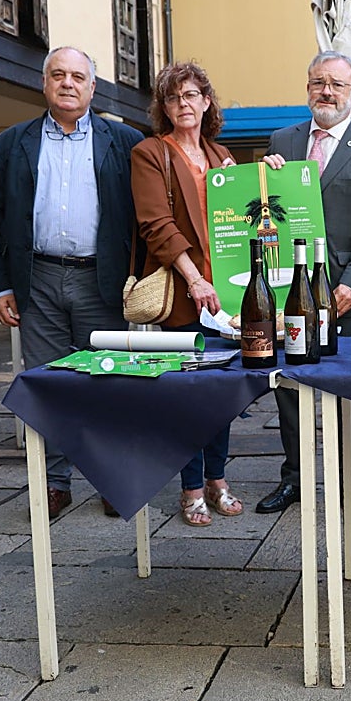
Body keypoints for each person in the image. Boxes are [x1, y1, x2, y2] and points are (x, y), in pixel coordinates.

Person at [0, 46, 143, 520]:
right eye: (58, 75)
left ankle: (109, 476)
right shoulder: (13, 142)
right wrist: (0, 285)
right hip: (38, 279)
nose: (67, 83)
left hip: (103, 279)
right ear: (44, 83)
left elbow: (149, 212)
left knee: (108, 381)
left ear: (92, 87)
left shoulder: (126, 141)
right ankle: (54, 482)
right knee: (49, 384)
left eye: (77, 76)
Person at [255, 51, 351, 514]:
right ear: (307, 88)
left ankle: (349, 482)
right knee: (288, 387)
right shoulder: (282, 141)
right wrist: (264, 178)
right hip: (290, 288)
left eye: (336, 84)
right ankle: (294, 478)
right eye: (318, 82)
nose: (326, 92)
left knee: (350, 392)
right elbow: (267, 208)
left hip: (345, 294)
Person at [131, 62, 243, 526]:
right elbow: (156, 225)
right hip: (184, 295)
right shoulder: (150, 153)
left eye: (192, 94)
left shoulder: (221, 155)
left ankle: (218, 479)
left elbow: (245, 215)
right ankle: (192, 488)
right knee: (188, 396)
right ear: (164, 106)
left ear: (207, 101)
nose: (183, 104)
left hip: (227, 296)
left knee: (222, 395)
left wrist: (264, 174)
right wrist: (195, 279)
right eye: (174, 97)